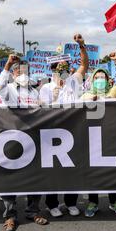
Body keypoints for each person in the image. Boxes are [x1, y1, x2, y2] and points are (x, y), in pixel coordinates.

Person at [0, 54, 48, 231]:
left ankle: (33, 210)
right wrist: (8, 65)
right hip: (12, 140)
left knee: (35, 177)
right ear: (13, 73)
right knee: (10, 179)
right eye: (18, 70)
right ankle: (10, 216)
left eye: (25, 70)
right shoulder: (9, 88)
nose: (22, 73)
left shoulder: (34, 91)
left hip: (33, 140)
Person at [39, 34, 89, 217]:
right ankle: (52, 204)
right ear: (51, 69)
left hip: (74, 132)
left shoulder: (74, 81)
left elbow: (84, 65)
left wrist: (81, 46)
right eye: (57, 66)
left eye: (64, 66)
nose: (60, 69)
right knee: (53, 171)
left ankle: (71, 202)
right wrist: (55, 94)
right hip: (53, 135)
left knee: (72, 169)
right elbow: (42, 111)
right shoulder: (45, 87)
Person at [81, 52, 116, 217]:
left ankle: (115, 202)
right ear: (92, 80)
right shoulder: (85, 95)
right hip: (91, 140)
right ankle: (93, 202)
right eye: (97, 77)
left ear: (108, 80)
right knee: (94, 173)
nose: (100, 79)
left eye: (103, 77)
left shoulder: (112, 93)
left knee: (112, 171)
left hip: (110, 138)